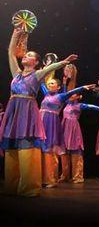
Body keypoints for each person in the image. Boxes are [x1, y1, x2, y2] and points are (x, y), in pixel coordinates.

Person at [0, 28, 77, 197]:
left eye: (29, 56)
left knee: (27, 145)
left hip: (27, 112)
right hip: (13, 112)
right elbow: (11, 54)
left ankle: (29, 187)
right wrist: (15, 33)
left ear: (35, 62)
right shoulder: (17, 74)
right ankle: (12, 185)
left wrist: (64, 62)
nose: (25, 57)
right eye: (25, 55)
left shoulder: (37, 75)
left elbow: (52, 67)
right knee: (13, 146)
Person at [40, 79, 95, 188]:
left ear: (58, 87)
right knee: (41, 149)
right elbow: (41, 82)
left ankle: (51, 180)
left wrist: (83, 87)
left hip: (51, 123)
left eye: (52, 83)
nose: (50, 84)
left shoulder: (60, 97)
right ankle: (42, 178)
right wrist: (44, 71)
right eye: (49, 83)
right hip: (41, 121)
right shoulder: (46, 94)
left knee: (51, 150)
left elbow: (71, 92)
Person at [59, 91, 99, 184]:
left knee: (76, 152)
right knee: (64, 152)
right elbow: (64, 93)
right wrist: (64, 82)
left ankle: (78, 176)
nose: (71, 95)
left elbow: (90, 106)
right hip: (65, 128)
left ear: (78, 97)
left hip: (74, 128)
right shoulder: (66, 103)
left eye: (74, 94)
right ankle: (64, 175)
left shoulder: (79, 105)